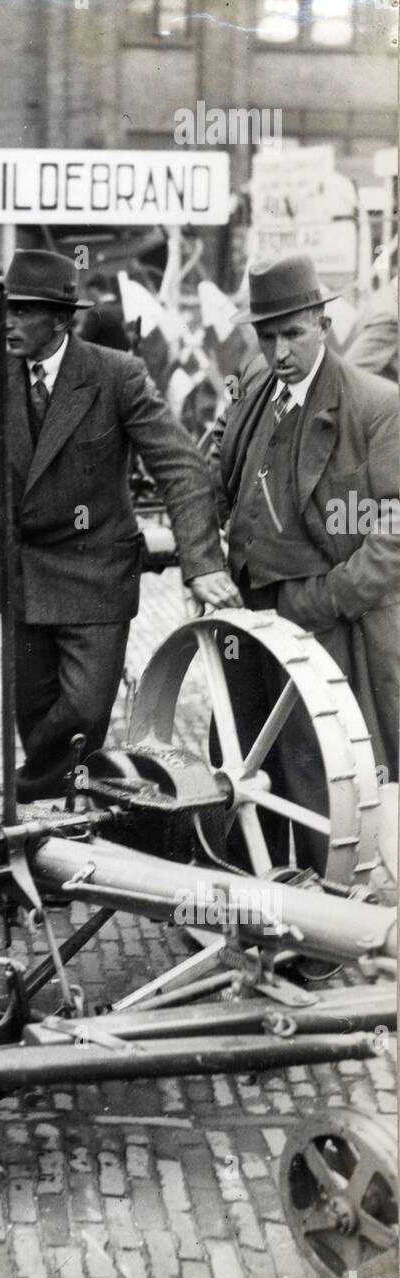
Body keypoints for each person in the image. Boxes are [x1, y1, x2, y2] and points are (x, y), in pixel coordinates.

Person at [0, 249, 240, 803]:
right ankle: (56, 842)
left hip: (97, 577)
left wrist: (201, 564)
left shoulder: (118, 375)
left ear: (61, 320)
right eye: (7, 311)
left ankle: (22, 805)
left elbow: (181, 468)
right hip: (23, 581)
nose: (6, 323)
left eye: (22, 313)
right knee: (35, 722)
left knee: (82, 714)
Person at [210, 252, 399, 865]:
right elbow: (221, 481)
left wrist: (326, 598)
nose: (281, 350)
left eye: (293, 332)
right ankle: (240, 898)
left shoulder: (375, 404)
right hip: (244, 609)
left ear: (321, 321)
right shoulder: (253, 391)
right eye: (268, 336)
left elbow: (393, 532)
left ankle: (325, 917)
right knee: (238, 759)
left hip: (321, 618)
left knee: (316, 764)